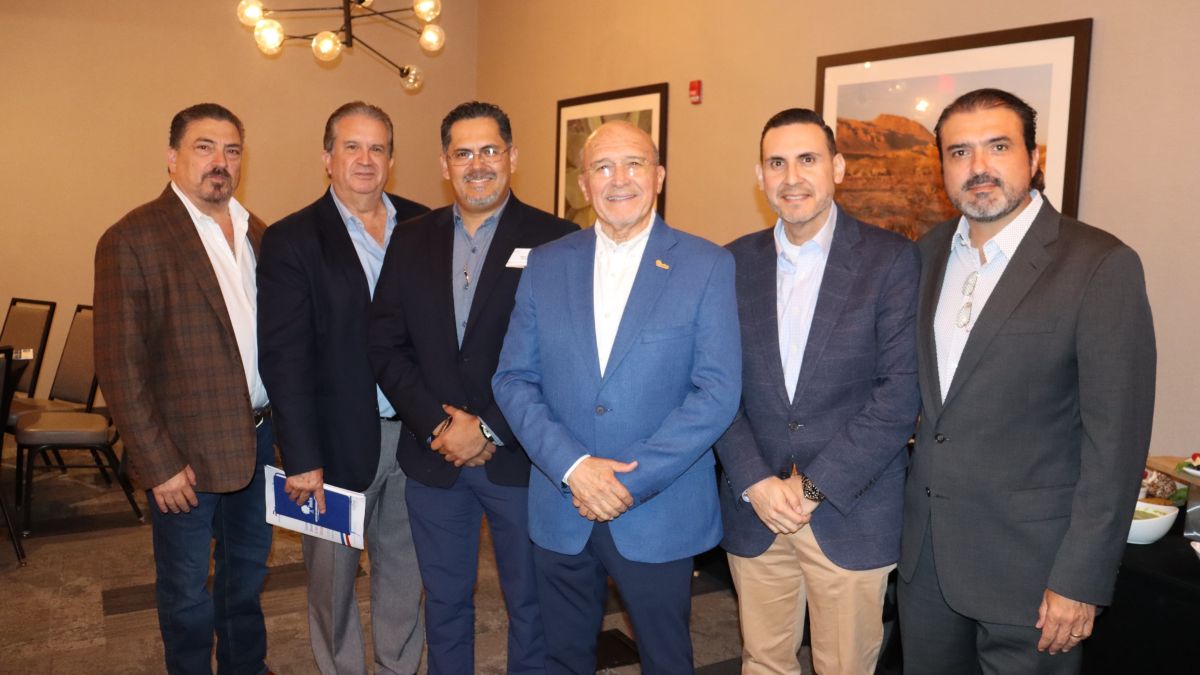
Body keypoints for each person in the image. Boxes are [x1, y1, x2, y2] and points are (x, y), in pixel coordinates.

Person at [898, 88, 1156, 674]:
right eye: (958, 152)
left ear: (1034, 157)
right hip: (927, 561)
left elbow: (1115, 444)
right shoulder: (926, 253)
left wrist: (1081, 579)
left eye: (997, 146)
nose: (978, 167)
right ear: (942, 167)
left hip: (1034, 575)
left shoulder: (1099, 265)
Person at [492, 120, 742, 674]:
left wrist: (625, 481)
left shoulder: (706, 266)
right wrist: (574, 467)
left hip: (658, 509)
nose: (619, 179)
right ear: (584, 185)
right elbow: (513, 379)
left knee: (666, 659)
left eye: (633, 164)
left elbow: (717, 392)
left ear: (658, 176)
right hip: (562, 504)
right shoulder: (546, 264)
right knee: (560, 657)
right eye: (603, 167)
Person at [367, 101, 576, 674]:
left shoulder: (559, 239)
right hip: (434, 459)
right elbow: (385, 345)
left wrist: (484, 428)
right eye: (464, 153)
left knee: (530, 606)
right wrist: (441, 425)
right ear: (444, 163)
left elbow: (563, 358)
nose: (477, 164)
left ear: (513, 156)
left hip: (521, 460)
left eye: (490, 150)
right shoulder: (410, 239)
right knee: (445, 605)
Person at [716, 108, 919, 674]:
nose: (791, 177)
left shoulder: (891, 260)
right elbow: (715, 388)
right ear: (760, 177)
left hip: (850, 509)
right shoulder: (730, 263)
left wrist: (811, 488)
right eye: (776, 163)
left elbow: (898, 395)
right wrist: (755, 479)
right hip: (756, 509)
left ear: (838, 167)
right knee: (763, 663)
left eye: (807, 159)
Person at [94, 103, 274, 674]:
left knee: (246, 583)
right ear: (172, 157)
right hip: (184, 460)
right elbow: (120, 364)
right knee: (187, 596)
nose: (220, 162)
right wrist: (157, 463)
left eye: (232, 150)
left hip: (261, 442)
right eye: (204, 147)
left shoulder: (261, 234)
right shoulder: (133, 238)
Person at [257, 101, 428, 674]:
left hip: (417, 440)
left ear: (392, 160)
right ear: (327, 157)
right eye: (351, 146)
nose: (364, 159)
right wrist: (301, 455)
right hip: (331, 450)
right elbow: (283, 358)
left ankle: (398, 668)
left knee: (406, 572)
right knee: (332, 584)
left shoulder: (426, 224)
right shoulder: (292, 238)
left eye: (377, 148)